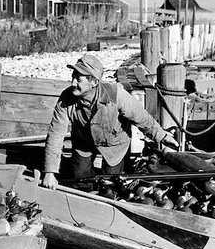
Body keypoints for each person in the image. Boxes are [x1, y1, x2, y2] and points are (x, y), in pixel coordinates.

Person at [42, 54, 179, 190]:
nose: (73, 83)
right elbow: (55, 134)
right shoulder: (66, 98)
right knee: (81, 181)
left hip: (115, 144)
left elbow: (141, 117)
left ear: (94, 82)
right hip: (83, 142)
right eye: (73, 77)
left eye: (78, 79)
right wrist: (50, 172)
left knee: (111, 184)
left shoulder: (116, 95)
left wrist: (162, 136)